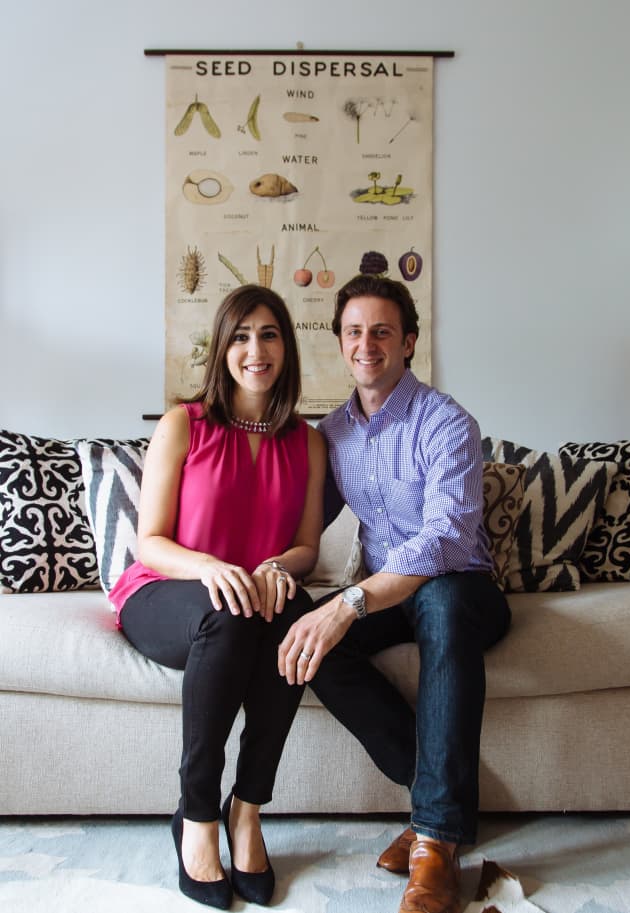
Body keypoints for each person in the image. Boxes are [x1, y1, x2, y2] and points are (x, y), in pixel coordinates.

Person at [278, 274, 511, 913]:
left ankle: (434, 843)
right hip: (389, 594)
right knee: (310, 641)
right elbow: (302, 527)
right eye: (354, 331)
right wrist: (260, 564)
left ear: (408, 341)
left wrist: (350, 602)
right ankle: (439, 798)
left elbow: (444, 540)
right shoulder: (332, 436)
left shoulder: (448, 423)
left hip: (464, 590)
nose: (367, 344)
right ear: (340, 343)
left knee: (442, 601)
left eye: (382, 331)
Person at [109, 285, 326, 910]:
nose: (255, 350)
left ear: (286, 346)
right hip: (166, 593)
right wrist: (209, 567)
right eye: (240, 336)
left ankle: (248, 809)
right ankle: (198, 814)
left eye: (269, 334)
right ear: (222, 348)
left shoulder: (306, 442)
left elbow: (308, 546)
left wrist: (280, 566)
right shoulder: (185, 424)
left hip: (252, 597)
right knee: (227, 613)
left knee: (296, 616)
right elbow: (149, 542)